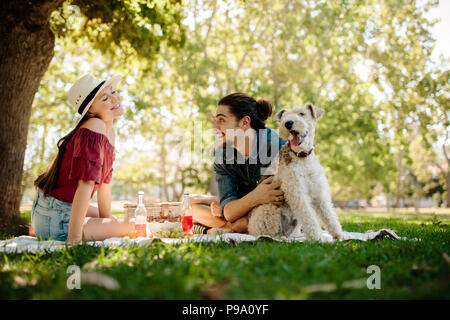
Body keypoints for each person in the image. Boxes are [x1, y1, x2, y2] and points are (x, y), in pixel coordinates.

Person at [32, 74, 134, 243]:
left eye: (113, 91)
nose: (115, 98)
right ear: (90, 111)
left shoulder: (109, 133)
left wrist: (106, 222)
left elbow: (105, 184)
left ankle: (106, 226)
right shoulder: (95, 127)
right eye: (105, 98)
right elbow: (85, 185)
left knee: (116, 223)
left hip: (53, 209)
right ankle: (69, 232)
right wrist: (74, 238)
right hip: (56, 217)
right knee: (131, 226)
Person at [191, 93, 287, 234]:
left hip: (272, 215)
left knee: (244, 222)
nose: (214, 127)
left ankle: (216, 229)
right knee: (188, 205)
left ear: (244, 123)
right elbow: (230, 213)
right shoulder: (222, 155)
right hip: (245, 210)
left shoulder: (277, 146)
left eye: (221, 120)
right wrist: (255, 197)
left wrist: (234, 208)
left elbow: (276, 200)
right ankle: (229, 228)